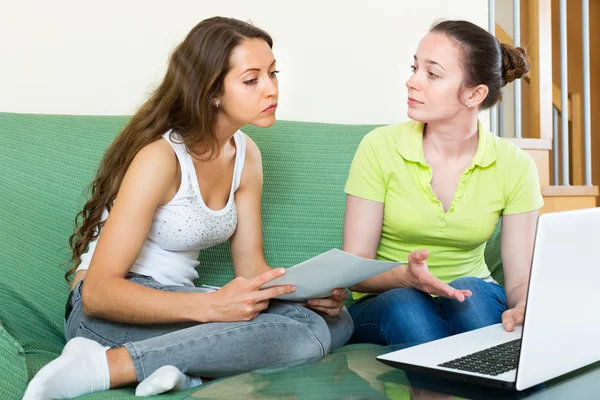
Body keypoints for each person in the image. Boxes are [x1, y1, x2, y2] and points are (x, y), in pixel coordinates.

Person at [23, 17, 353, 400]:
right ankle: (103, 367)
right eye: (251, 80)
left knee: (336, 321)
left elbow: (251, 269)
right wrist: (212, 307)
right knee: (304, 335)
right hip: (109, 311)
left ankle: (179, 368)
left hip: (180, 300)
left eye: (273, 74)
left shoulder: (246, 156)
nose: (271, 89)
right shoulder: (161, 158)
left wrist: (308, 293)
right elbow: (98, 292)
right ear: (213, 91)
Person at [343, 20, 542, 347]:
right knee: (408, 305)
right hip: (388, 299)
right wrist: (405, 277)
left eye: (431, 74)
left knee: (471, 296)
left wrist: (523, 305)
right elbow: (355, 268)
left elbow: (519, 279)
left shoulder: (515, 166)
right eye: (414, 67)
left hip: (470, 294)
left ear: (475, 94)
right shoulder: (378, 147)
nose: (411, 81)